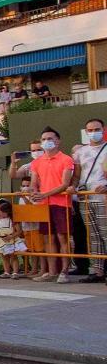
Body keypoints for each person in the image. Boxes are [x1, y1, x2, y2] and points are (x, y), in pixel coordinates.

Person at [28, 127, 75, 283]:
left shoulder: (66, 159)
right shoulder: (37, 162)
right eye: (44, 139)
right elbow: (34, 182)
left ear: (58, 140)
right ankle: (51, 271)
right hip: (43, 205)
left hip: (61, 204)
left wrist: (45, 193)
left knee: (62, 238)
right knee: (48, 239)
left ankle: (64, 271)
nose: (47, 142)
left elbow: (65, 184)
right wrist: (33, 191)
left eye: (50, 138)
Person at [73, 118, 106, 284]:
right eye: (90, 130)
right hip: (85, 197)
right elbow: (77, 175)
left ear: (103, 129)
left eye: (97, 129)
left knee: (105, 233)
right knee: (93, 236)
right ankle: (98, 271)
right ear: (86, 132)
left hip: (103, 198)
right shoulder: (81, 152)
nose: (94, 132)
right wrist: (73, 187)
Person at [0, 201, 26, 279]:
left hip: (11, 241)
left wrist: (11, 236)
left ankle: (15, 272)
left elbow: (19, 231)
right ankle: (6, 272)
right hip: (1, 242)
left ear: (5, 212)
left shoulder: (12, 221)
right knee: (4, 257)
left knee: (13, 256)